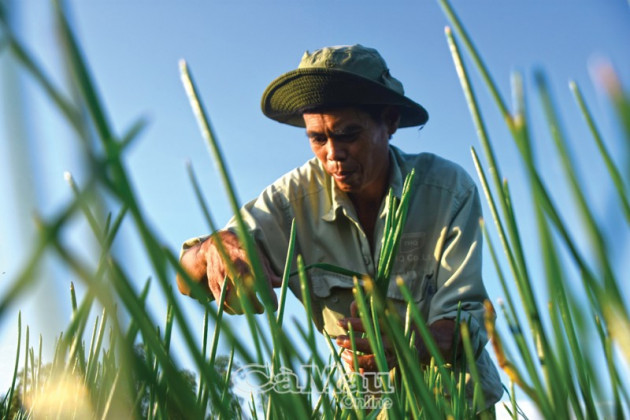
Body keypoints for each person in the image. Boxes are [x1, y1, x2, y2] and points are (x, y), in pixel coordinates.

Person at [177, 44, 503, 408]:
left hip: (454, 404)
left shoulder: (447, 191)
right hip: (366, 407)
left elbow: (464, 327)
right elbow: (186, 276)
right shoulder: (292, 201)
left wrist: (407, 341)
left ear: (390, 121)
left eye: (349, 134)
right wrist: (214, 249)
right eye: (318, 138)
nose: (333, 153)